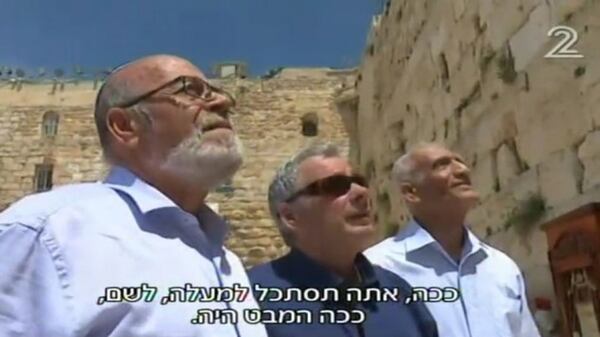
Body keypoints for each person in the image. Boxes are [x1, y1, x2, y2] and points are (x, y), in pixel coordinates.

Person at [0, 55, 267, 337]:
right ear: (125, 126)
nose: (222, 103)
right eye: (190, 90)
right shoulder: (50, 232)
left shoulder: (228, 263)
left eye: (217, 93)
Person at [248, 143, 438, 337]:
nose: (361, 193)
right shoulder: (251, 299)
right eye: (335, 186)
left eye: (360, 182)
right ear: (290, 216)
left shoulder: (398, 291)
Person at [365, 142, 541, 337]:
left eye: (460, 162)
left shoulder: (501, 267)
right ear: (410, 193)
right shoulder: (377, 268)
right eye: (442, 165)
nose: (463, 170)